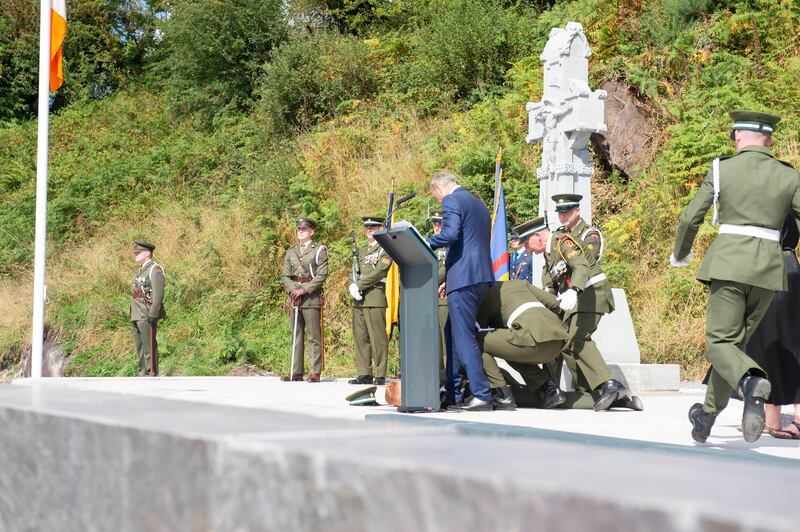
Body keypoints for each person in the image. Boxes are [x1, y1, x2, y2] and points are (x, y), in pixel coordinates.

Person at [672, 110, 800, 443]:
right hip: (769, 272)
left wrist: (680, 254)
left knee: (719, 344)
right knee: (735, 344)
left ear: (739, 137)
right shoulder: (789, 176)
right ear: (769, 140)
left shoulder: (722, 168)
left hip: (729, 265)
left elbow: (690, 219)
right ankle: (707, 417)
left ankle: (752, 380)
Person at [514, 216, 631, 411]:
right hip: (576, 298)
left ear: (538, 236)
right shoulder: (548, 255)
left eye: (527, 243)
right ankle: (591, 390)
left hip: (591, 292)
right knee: (567, 343)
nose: (527, 248)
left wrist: (574, 289)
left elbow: (582, 266)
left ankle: (610, 384)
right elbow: (550, 286)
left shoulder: (563, 242)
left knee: (578, 339)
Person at [428, 171, 494, 411]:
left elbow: (450, 234)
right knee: (452, 333)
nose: (439, 201)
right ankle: (454, 392)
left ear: (438, 189)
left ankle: (482, 394)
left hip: (464, 277)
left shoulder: (451, 200)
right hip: (477, 277)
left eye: (436, 196)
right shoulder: (477, 202)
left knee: (463, 336)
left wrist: (425, 242)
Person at [746, 215, 800, 439]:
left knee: (768, 343)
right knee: (788, 343)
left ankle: (776, 419)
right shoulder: (790, 192)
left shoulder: (760, 195)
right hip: (789, 265)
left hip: (765, 267)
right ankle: (777, 420)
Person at [546, 193, 605, 391]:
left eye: (568, 211)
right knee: (560, 342)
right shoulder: (558, 235)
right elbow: (552, 269)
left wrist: (570, 285)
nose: (563, 215)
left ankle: (591, 387)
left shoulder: (590, 234)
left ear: (577, 211)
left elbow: (585, 263)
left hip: (583, 294)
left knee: (576, 340)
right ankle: (557, 387)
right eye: (560, 212)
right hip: (565, 297)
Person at [281, 217, 328, 383]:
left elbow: (321, 275)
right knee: (296, 334)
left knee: (314, 336)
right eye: (298, 229)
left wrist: (304, 290)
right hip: (294, 296)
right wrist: (293, 289)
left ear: (311, 232)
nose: (300, 232)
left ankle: (315, 372)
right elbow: (285, 275)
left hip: (310, 297)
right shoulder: (291, 251)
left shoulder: (319, 250)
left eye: (304, 229)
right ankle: (296, 372)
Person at [349, 216, 393, 386]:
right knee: (361, 337)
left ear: (380, 228)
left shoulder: (385, 249)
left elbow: (381, 271)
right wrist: (353, 285)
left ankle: (380, 373)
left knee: (378, 338)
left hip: (375, 296)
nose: (369, 231)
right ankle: (364, 373)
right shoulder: (361, 250)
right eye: (367, 228)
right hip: (359, 299)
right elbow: (353, 271)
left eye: (373, 228)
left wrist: (359, 285)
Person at [130, 240, 165, 377]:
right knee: (140, 345)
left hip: (146, 312)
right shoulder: (141, 271)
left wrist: (154, 313)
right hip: (137, 313)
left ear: (147, 253)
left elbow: (158, 293)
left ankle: (151, 372)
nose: (135, 254)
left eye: (138, 252)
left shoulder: (155, 269)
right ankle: (143, 371)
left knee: (149, 344)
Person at [431, 211, 449, 385]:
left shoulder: (450, 244)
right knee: (434, 340)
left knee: (445, 341)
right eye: (435, 223)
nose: (437, 227)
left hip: (445, 297)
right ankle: (436, 374)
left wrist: (432, 282)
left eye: (440, 223)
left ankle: (447, 377)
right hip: (430, 298)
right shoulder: (429, 244)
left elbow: (447, 268)